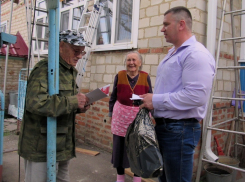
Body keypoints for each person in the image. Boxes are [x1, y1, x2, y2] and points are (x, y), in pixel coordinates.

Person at [139, 6, 215, 182]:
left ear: (181, 24)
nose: (162, 29)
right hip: (168, 128)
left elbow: (196, 96)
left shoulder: (195, 54)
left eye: (166, 24)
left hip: (179, 131)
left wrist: (156, 101)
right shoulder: (174, 53)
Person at [18, 30, 90, 182]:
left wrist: (78, 106)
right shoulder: (44, 69)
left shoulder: (68, 71)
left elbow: (62, 102)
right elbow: (36, 103)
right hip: (41, 147)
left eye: (82, 52)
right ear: (61, 46)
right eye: (76, 51)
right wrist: (72, 102)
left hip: (62, 146)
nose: (79, 56)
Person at [109, 51, 153, 182]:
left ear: (139, 62)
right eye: (129, 60)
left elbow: (150, 98)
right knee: (119, 148)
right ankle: (120, 177)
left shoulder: (145, 77)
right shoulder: (120, 75)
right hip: (120, 117)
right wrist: (111, 114)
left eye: (134, 60)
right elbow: (113, 97)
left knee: (137, 148)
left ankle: (137, 178)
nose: (131, 63)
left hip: (138, 117)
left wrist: (150, 117)